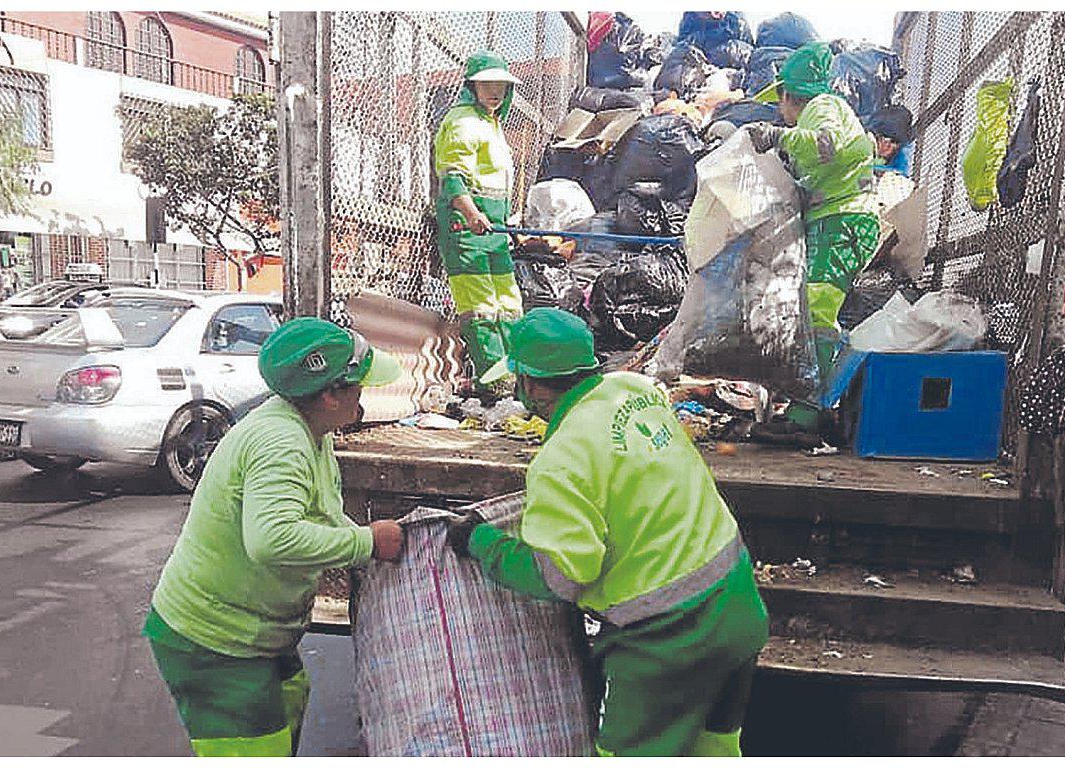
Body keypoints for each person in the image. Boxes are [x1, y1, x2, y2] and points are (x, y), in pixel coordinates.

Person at [447, 308, 769, 757]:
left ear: (533, 386)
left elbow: (561, 576)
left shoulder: (561, 462)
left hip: (669, 641)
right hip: (737, 605)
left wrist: (482, 543)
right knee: (712, 749)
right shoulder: (635, 391)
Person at [144, 317, 406, 756]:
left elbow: (322, 514)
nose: (365, 394)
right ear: (329, 395)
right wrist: (365, 543)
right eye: (358, 385)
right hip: (216, 642)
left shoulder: (309, 430)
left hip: (257, 636)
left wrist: (368, 541)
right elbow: (271, 539)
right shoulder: (281, 441)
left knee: (289, 705)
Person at [745, 41, 880, 390]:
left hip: (845, 222)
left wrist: (777, 137)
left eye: (779, 101)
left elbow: (827, 145)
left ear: (790, 95)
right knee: (811, 310)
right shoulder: (816, 116)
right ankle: (807, 401)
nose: (779, 111)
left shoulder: (822, 107)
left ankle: (809, 412)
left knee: (818, 311)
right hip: (837, 221)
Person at [433, 50, 524, 395]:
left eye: (500, 84)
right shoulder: (462, 122)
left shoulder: (489, 122)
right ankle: (497, 383)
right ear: (472, 86)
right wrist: (472, 214)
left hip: (493, 228)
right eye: (487, 84)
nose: (495, 91)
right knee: (481, 307)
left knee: (508, 302)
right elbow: (452, 176)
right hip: (467, 228)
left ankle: (517, 376)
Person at [865, 104, 914, 176]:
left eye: (895, 142)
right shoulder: (864, 138)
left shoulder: (903, 150)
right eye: (885, 141)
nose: (889, 147)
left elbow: (901, 172)